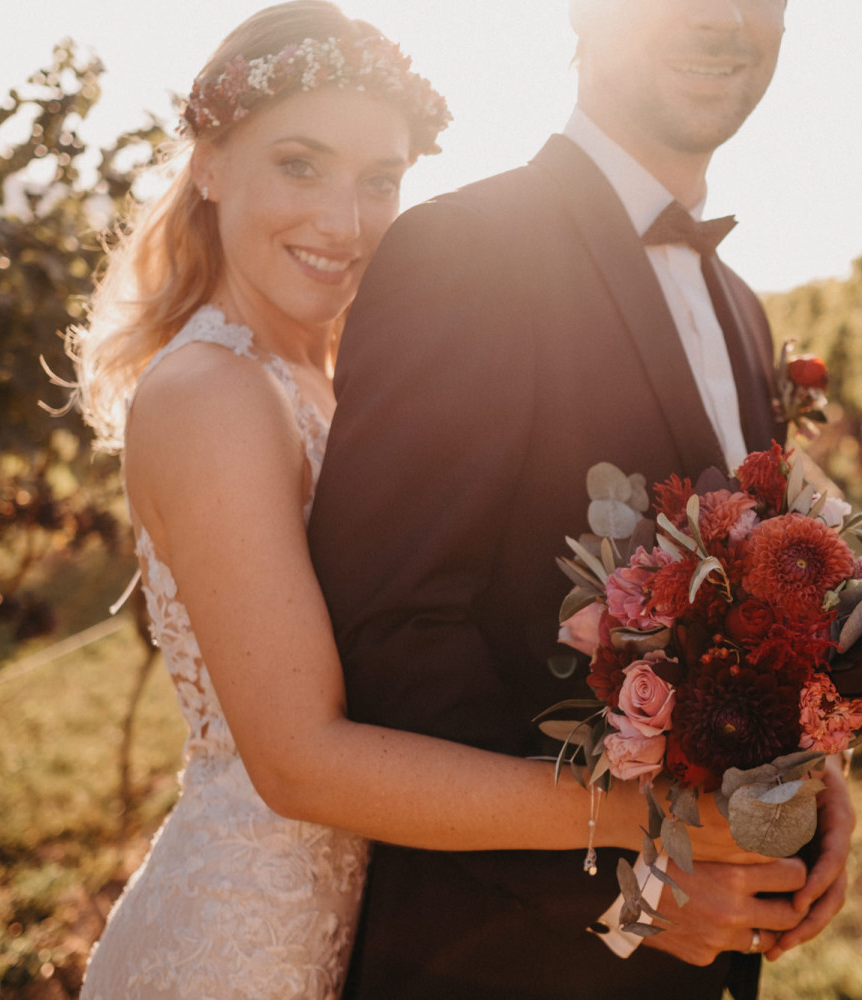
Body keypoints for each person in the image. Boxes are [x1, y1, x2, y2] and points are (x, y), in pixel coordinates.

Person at [68, 5, 767, 1000]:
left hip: (374, 919)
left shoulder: (316, 375)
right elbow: (300, 762)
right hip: (247, 946)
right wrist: (637, 811)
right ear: (211, 162)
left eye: (379, 180)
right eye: (299, 165)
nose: (343, 221)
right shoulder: (211, 393)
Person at [308, 1, 856, 998]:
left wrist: (810, 778)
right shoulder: (460, 249)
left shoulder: (740, 304)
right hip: (500, 962)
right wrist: (627, 882)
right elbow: (390, 636)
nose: (725, 19)